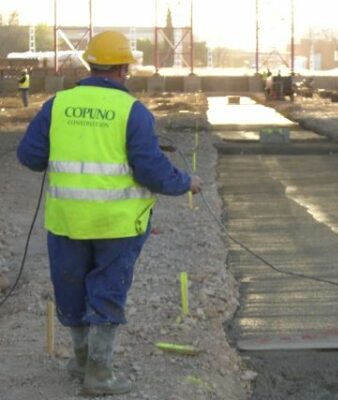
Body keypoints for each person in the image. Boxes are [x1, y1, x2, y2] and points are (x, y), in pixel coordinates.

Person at [17, 31, 202, 396]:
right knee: (107, 290)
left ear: (91, 64)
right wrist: (186, 182)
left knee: (70, 287)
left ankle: (81, 362)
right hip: (117, 225)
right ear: (123, 69)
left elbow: (29, 156)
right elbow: (151, 170)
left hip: (68, 221)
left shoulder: (58, 105)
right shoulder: (131, 111)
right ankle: (99, 375)